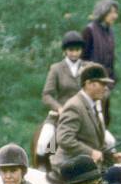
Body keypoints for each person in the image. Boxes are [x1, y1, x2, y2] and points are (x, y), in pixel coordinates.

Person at [55, 64, 116, 169]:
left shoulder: (94, 104)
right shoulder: (75, 106)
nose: (105, 88)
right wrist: (91, 152)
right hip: (70, 165)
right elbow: (64, 139)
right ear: (88, 84)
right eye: (102, 83)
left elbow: (95, 141)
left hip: (88, 164)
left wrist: (111, 156)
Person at [36, 31, 87, 160]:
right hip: (60, 115)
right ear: (65, 51)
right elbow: (47, 95)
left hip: (84, 114)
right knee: (43, 144)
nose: (74, 53)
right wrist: (59, 108)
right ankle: (42, 169)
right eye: (71, 50)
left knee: (109, 141)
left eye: (77, 50)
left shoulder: (88, 67)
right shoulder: (56, 68)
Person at [81, 0, 119, 125]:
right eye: (111, 12)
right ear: (103, 13)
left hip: (106, 81)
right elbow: (82, 58)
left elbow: (111, 58)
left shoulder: (110, 32)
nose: (115, 16)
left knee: (104, 116)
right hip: (92, 82)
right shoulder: (89, 31)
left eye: (115, 12)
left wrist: (111, 80)